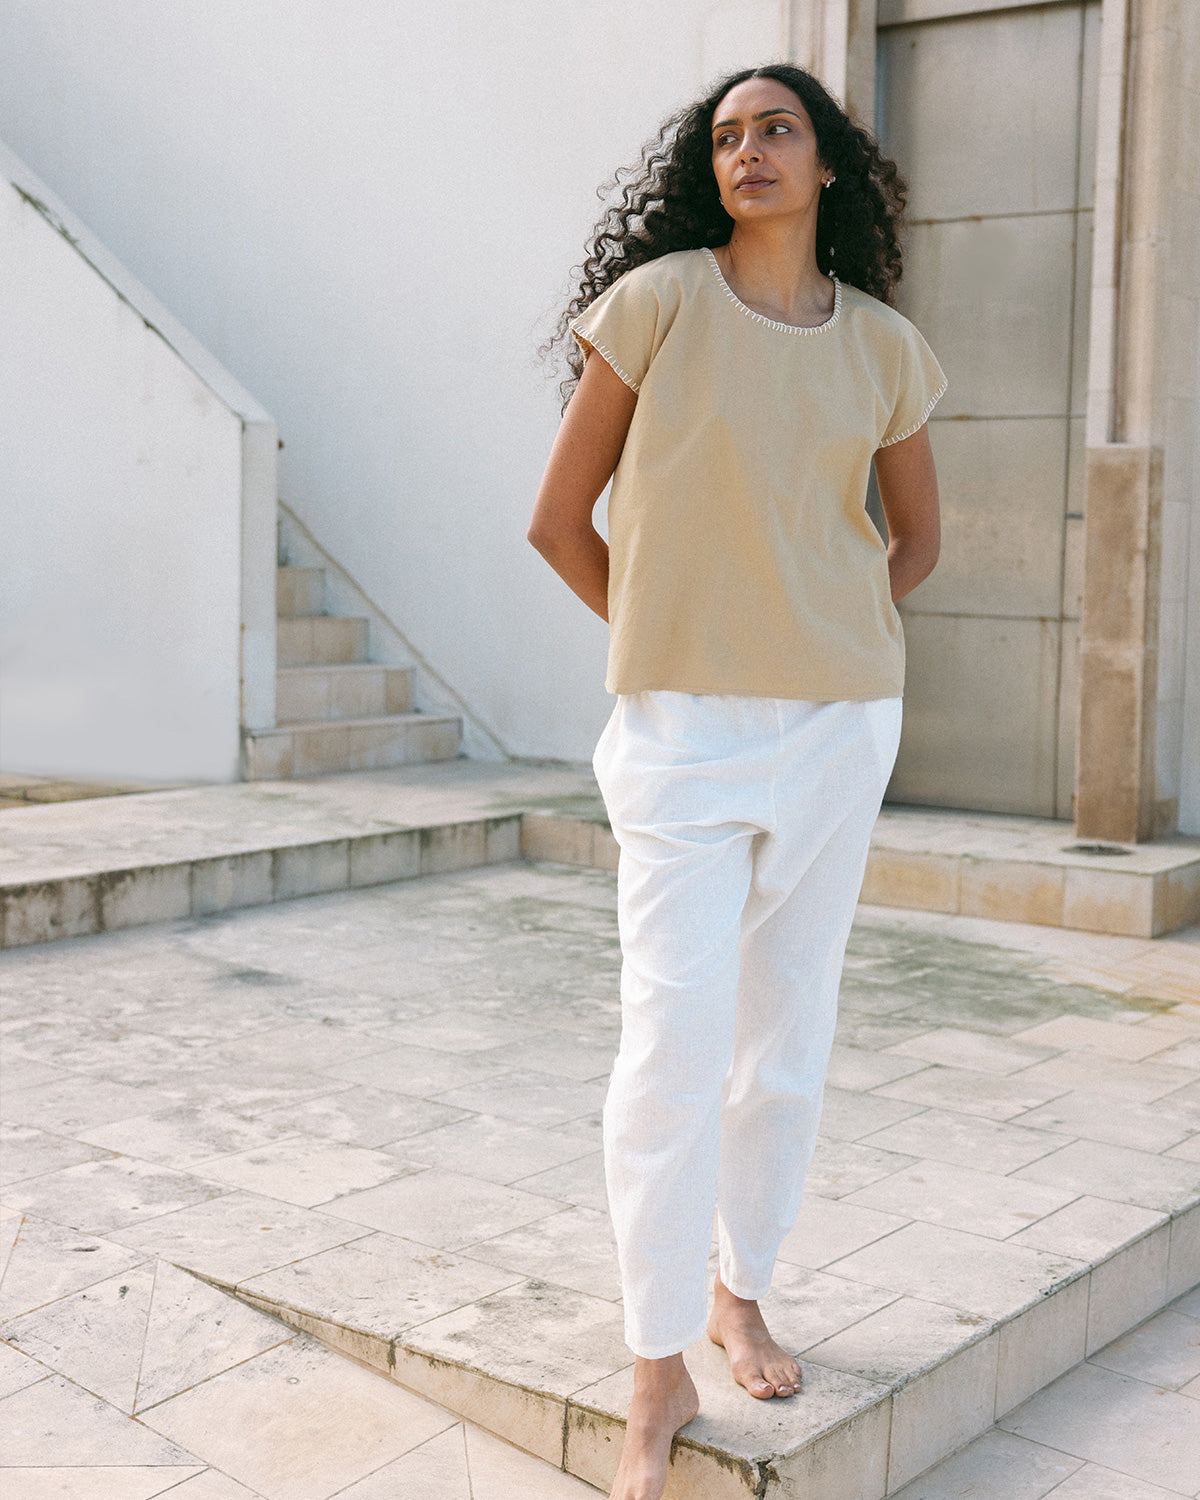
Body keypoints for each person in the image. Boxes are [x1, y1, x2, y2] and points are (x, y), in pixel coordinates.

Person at [528, 62, 945, 1500]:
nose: (748, 151)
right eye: (725, 136)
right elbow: (558, 521)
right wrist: (676, 643)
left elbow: (915, 544)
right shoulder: (654, 307)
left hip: (839, 726)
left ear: (828, 165)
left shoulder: (886, 344)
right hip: (681, 732)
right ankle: (657, 1370)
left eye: (777, 130)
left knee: (791, 1035)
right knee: (671, 1043)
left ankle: (739, 1288)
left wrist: (824, 643)